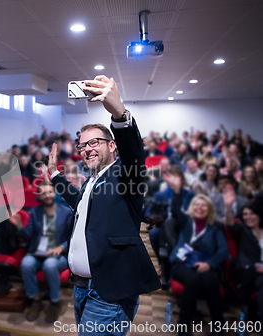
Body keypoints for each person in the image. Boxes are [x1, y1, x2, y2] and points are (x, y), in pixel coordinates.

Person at [48, 75, 160, 335]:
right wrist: (55, 175)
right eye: (82, 145)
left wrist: (119, 114)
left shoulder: (125, 173)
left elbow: (133, 152)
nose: (86, 149)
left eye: (94, 142)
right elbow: (78, 203)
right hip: (81, 287)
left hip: (109, 289)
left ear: (112, 145)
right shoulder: (93, 180)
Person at [167, 172, 228, 336]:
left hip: (207, 263)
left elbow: (223, 250)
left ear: (209, 209)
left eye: (203, 206)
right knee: (193, 279)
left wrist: (209, 264)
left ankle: (218, 326)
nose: (199, 208)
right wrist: (178, 191)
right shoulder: (186, 221)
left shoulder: (215, 226)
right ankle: (183, 326)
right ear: (192, 207)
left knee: (209, 278)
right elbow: (175, 210)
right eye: (196, 205)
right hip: (183, 263)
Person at [11, 182, 72, 323]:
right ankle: (35, 300)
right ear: (40, 196)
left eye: (50, 192)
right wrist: (19, 226)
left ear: (54, 194)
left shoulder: (67, 212)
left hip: (58, 254)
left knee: (50, 265)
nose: (47, 196)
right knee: (26, 263)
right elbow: (28, 236)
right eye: (43, 193)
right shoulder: (35, 212)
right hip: (38, 253)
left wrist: (61, 247)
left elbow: (73, 237)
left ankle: (54, 302)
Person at [225, 189, 263, 322]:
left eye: (252, 213)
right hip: (248, 270)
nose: (248, 217)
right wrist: (229, 207)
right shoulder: (242, 229)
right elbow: (230, 224)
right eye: (245, 214)